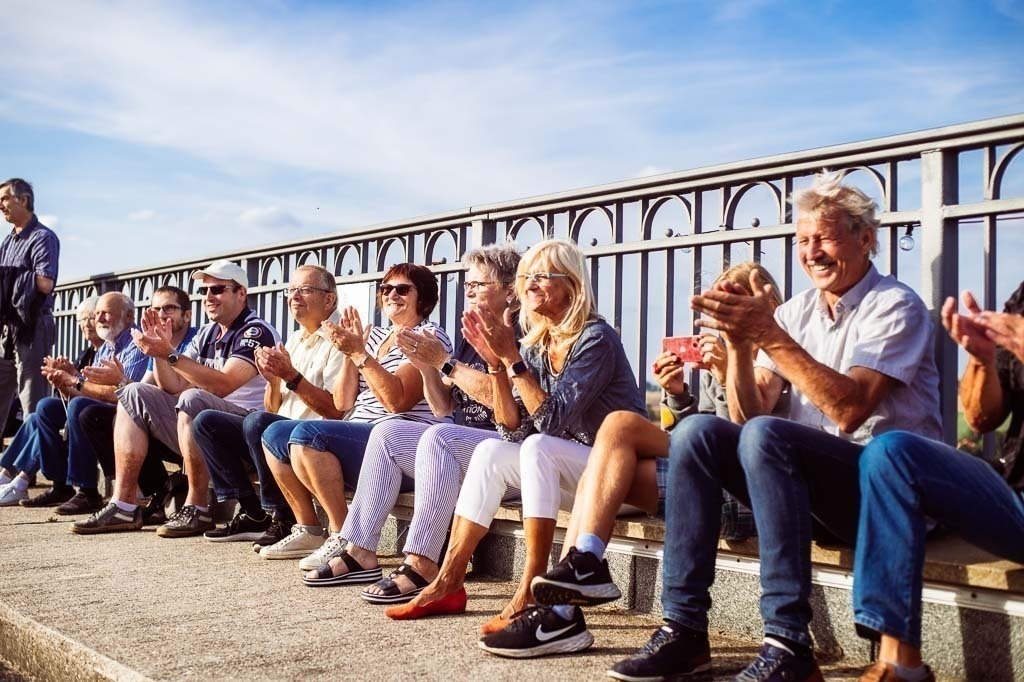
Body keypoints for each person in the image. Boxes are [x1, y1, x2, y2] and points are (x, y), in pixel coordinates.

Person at [604, 171, 941, 682]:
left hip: (879, 498)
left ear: (866, 239)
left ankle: (787, 643)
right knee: (697, 434)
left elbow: (849, 409)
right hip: (806, 491)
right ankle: (684, 631)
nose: (812, 252)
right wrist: (741, 349)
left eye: (825, 238)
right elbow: (746, 419)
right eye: (803, 241)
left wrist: (768, 333)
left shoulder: (894, 305)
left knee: (768, 434)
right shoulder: (797, 312)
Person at [386, 238, 646, 660]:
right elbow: (514, 428)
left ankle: (531, 590)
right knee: (491, 453)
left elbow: (551, 421)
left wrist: (512, 360)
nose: (530, 285)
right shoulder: (540, 343)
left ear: (572, 285)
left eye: (542, 276)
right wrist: (496, 364)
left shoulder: (595, 337)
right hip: (576, 471)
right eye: (527, 277)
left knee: (539, 446)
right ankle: (448, 579)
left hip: (618, 479)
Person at [529, 263, 788, 626]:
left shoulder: (777, 358)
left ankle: (580, 577)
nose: (726, 316)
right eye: (722, 306)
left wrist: (728, 373)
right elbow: (699, 437)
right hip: (713, 480)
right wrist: (678, 394)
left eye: (736, 302)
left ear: (768, 302)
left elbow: (745, 437)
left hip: (747, 494)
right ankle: (563, 607)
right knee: (596, 474)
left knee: (620, 424)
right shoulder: (722, 357)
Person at [301, 244, 520, 600]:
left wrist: (443, 362)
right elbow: (442, 407)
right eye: (467, 285)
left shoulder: (518, 333)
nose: (468, 292)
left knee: (438, 437)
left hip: (508, 449)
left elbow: (507, 406)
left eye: (478, 285)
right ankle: (360, 550)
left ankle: (422, 562)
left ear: (510, 290)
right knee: (389, 431)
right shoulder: (475, 334)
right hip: (474, 446)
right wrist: (427, 368)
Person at [850, 287, 1024, 682]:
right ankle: (900, 663)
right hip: (1015, 498)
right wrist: (981, 359)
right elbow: (981, 418)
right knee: (891, 452)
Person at [257, 262, 452, 569]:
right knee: (273, 434)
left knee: (307, 435)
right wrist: (352, 351)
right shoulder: (374, 336)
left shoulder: (428, 336)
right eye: (386, 289)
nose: (391, 295)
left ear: (423, 298)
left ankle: (343, 534)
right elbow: (343, 400)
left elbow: (396, 402)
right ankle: (312, 530)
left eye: (402, 289)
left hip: (399, 443)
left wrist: (360, 354)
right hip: (362, 435)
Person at [72, 260, 279, 536]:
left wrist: (170, 354)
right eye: (204, 291)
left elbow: (223, 385)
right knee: (131, 393)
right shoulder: (207, 333)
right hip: (204, 432)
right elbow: (173, 385)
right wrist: (159, 353)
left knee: (193, 399)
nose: (209, 297)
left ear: (241, 293)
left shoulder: (256, 331)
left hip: (243, 436)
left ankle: (197, 507)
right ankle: (124, 504)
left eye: (217, 289)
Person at [192, 264, 346, 546]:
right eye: (291, 290)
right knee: (206, 422)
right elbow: (273, 408)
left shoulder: (339, 338)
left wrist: (291, 376)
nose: (294, 297)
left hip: (313, 438)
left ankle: (284, 517)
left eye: (305, 290)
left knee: (258, 422)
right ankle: (253, 513)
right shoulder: (295, 338)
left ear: (329, 299)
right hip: (280, 434)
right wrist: (274, 381)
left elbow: (336, 409)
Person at [58, 286, 196, 517]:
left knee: (108, 410)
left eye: (169, 308)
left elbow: (174, 392)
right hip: (165, 422)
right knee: (95, 415)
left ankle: (125, 497)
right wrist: (76, 381)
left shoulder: (194, 341)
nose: (161, 315)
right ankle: (155, 491)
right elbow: (142, 390)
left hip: (188, 425)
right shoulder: (155, 345)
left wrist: (83, 383)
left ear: (187, 315)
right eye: (156, 309)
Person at [0, 292, 148, 507]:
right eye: (97, 314)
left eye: (106, 313)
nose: (98, 319)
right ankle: (60, 486)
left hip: (125, 413)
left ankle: (88, 491)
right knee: (46, 407)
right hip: (96, 407)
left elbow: (122, 393)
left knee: (79, 407)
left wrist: (75, 381)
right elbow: (88, 389)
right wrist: (64, 382)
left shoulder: (136, 344)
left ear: (129, 316)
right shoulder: (106, 346)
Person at [0, 179, 60, 438]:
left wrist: (8, 276)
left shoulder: (42, 237)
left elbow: (45, 282)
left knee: (31, 401)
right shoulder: (8, 241)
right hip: (8, 328)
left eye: (4, 199)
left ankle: (30, 460)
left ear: (23, 200)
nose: (0, 205)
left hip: (33, 326)